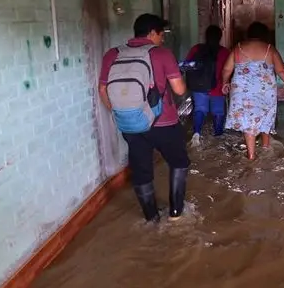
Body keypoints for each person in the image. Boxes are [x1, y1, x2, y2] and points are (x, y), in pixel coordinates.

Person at [99, 13, 190, 222]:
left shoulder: (112, 54)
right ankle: (176, 213)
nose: (162, 38)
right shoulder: (162, 54)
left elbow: (102, 89)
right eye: (161, 34)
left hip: (130, 124)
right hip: (164, 122)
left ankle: (152, 218)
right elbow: (178, 90)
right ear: (151, 33)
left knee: (141, 169)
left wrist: (120, 112)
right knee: (179, 162)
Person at [221, 22, 284, 160]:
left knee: (248, 121)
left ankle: (251, 155)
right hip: (265, 91)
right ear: (264, 35)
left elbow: (227, 69)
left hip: (242, 92)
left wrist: (225, 82)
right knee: (265, 116)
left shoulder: (237, 48)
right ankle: (266, 147)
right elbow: (281, 70)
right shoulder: (270, 49)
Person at [183, 25, 231, 147]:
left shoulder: (196, 49)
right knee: (218, 112)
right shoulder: (225, 52)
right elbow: (229, 70)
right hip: (218, 87)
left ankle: (196, 134)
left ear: (206, 36)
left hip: (199, 86)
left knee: (200, 109)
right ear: (220, 37)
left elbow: (187, 66)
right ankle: (218, 135)